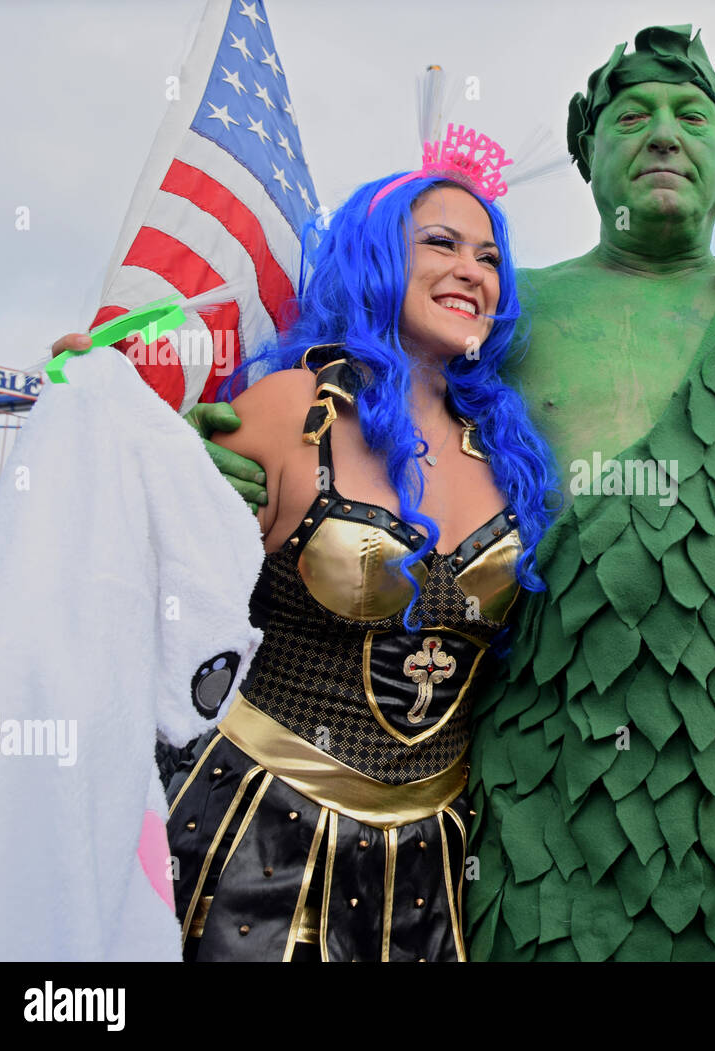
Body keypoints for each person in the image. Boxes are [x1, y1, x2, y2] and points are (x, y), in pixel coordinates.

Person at [81, 25, 715, 960]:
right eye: (632, 118)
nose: (665, 135)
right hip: (529, 813)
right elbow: (353, 385)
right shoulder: (503, 310)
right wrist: (214, 467)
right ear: (585, 155)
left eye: (693, 117)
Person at [65, 133, 558, 961]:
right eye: (438, 242)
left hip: (432, 866)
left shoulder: (511, 454)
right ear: (373, 257)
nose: (471, 269)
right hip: (252, 840)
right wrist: (100, 413)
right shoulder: (297, 409)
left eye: (487, 256)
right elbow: (142, 558)